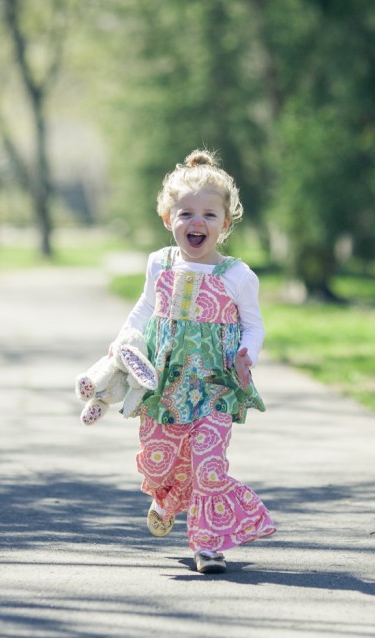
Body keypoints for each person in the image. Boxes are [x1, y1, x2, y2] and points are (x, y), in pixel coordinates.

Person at [118, 149, 276, 574]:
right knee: (160, 460)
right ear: (168, 218)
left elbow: (254, 326)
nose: (197, 222)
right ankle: (166, 498)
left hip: (215, 385)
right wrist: (123, 344)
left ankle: (208, 545)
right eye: (186, 213)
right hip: (164, 383)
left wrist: (249, 354)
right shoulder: (159, 264)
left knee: (208, 466)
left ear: (225, 224)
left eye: (209, 214)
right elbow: (144, 309)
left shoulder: (238, 276)